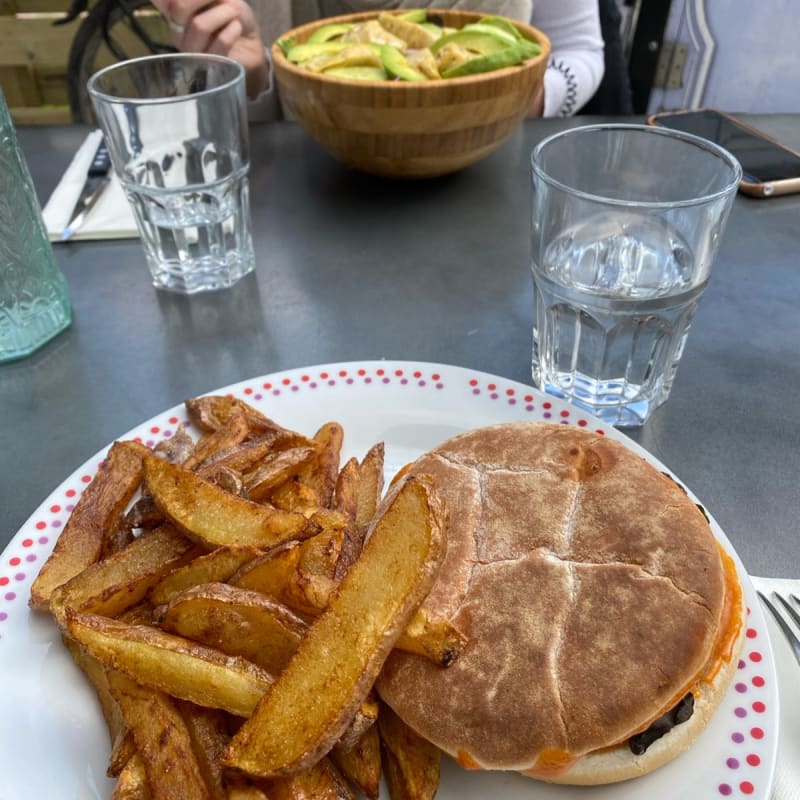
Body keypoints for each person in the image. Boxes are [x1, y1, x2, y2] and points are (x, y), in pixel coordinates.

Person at [151, 0, 604, 119]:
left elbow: (582, 52)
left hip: (489, 182)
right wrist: (248, 76)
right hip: (312, 199)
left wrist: (509, 97)